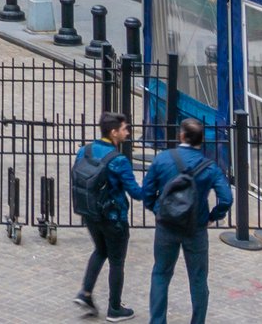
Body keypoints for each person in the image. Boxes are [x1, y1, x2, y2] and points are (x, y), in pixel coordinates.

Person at [139, 118, 233, 324]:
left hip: (166, 226)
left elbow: (146, 192)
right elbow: (226, 198)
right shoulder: (210, 167)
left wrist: (158, 210)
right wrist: (212, 217)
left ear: (182, 135)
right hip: (196, 228)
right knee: (198, 279)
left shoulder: (163, 159)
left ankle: (157, 321)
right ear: (201, 140)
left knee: (161, 274)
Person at [71, 111, 140, 320]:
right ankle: (115, 308)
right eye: (124, 129)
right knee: (117, 261)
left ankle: (86, 293)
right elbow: (136, 192)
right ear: (113, 132)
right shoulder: (118, 160)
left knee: (100, 250)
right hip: (114, 218)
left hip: (90, 213)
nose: (127, 133)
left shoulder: (85, 151)